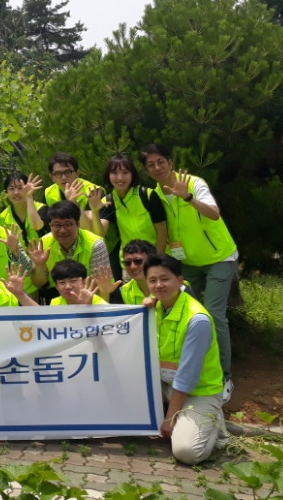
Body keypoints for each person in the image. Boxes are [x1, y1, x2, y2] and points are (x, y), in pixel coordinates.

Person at [140, 143, 236, 401]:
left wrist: (188, 197)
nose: (157, 167)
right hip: (187, 263)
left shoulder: (193, 183)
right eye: (150, 165)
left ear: (170, 162)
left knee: (214, 314)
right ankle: (182, 372)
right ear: (147, 171)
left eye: (161, 161)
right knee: (173, 311)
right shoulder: (154, 195)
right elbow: (162, 231)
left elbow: (214, 214)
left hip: (218, 258)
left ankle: (224, 377)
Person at [144, 254, 225, 465]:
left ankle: (214, 420)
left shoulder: (197, 320)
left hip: (199, 391)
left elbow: (186, 377)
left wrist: (170, 419)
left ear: (180, 281)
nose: (159, 285)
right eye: (152, 280)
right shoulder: (156, 307)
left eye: (165, 279)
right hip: (166, 384)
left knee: (186, 452)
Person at [99, 155, 168, 279]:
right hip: (130, 264)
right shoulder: (108, 201)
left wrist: (157, 262)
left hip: (155, 260)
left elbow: (162, 232)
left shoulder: (147, 195)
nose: (120, 177)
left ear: (132, 175)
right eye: (114, 173)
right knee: (133, 297)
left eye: (125, 172)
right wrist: (94, 211)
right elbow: (99, 233)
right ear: (108, 176)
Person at [38, 200, 112, 298]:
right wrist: (39, 265)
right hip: (57, 296)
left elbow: (101, 286)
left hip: (91, 296)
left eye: (68, 224)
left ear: (78, 224)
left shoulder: (96, 244)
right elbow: (38, 283)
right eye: (57, 225)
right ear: (50, 226)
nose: (62, 230)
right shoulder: (43, 243)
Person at [45, 152, 102, 232]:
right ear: (52, 177)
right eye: (58, 174)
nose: (63, 177)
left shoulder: (93, 191)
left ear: (78, 173)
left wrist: (73, 202)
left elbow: (89, 229)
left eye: (68, 172)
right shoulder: (49, 193)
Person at [0, 172, 47, 245]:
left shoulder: (42, 208)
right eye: (11, 189)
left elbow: (37, 226)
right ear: (5, 192)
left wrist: (29, 197)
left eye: (20, 188)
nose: (16, 193)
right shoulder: (2, 218)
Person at [116, 239, 157, 305]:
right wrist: (105, 293)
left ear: (153, 261)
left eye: (138, 261)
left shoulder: (170, 287)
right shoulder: (123, 292)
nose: (132, 266)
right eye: (127, 262)